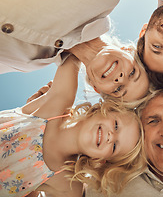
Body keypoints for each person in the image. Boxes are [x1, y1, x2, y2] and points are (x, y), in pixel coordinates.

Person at [0, 55, 146, 196]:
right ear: (104, 109)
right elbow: (74, 52)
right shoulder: (60, 101)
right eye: (115, 125)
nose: (110, 136)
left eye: (114, 146)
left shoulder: (67, 183)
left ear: (103, 161)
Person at [0, 0, 124, 74]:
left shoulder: (26, 65)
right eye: (133, 72)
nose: (120, 79)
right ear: (128, 50)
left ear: (95, 87)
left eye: (117, 91)